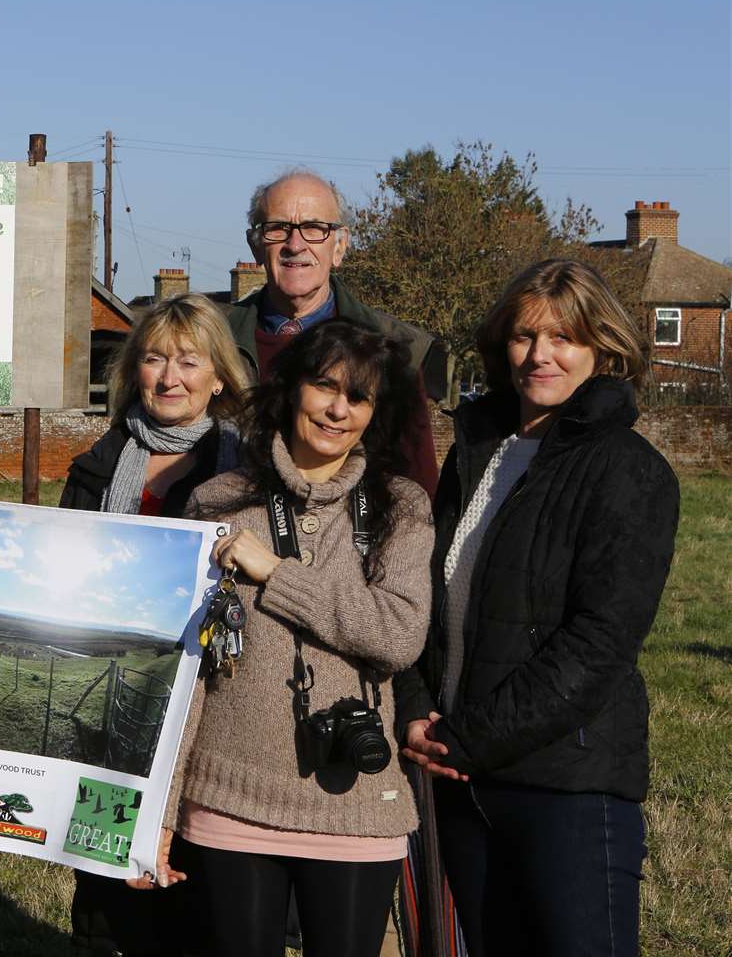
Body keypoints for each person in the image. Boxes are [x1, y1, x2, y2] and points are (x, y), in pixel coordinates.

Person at [396, 259, 678, 956]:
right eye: (524, 336)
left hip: (566, 786)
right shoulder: (479, 455)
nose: (539, 355)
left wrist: (471, 738)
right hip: (464, 780)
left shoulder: (628, 469)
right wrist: (413, 708)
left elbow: (598, 644)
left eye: (564, 339)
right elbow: (426, 601)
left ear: (604, 350)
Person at [138, 319, 435, 957]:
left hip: (355, 804)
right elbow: (187, 673)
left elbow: (398, 635)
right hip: (228, 799)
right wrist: (158, 813)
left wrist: (276, 573)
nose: (336, 409)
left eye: (358, 398)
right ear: (291, 389)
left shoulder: (400, 509)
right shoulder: (220, 503)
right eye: (323, 386)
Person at [61, 293, 250, 956]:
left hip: (210, 710)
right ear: (132, 372)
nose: (170, 378)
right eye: (154, 359)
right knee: (116, 897)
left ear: (220, 375)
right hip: (110, 699)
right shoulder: (99, 465)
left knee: (196, 896)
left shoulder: (247, 472)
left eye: (189, 361)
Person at [226, 169, 443, 497]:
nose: (294, 244)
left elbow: (417, 491)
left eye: (314, 228)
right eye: (278, 229)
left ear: (339, 247)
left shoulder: (394, 351)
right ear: (256, 246)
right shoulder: (211, 342)